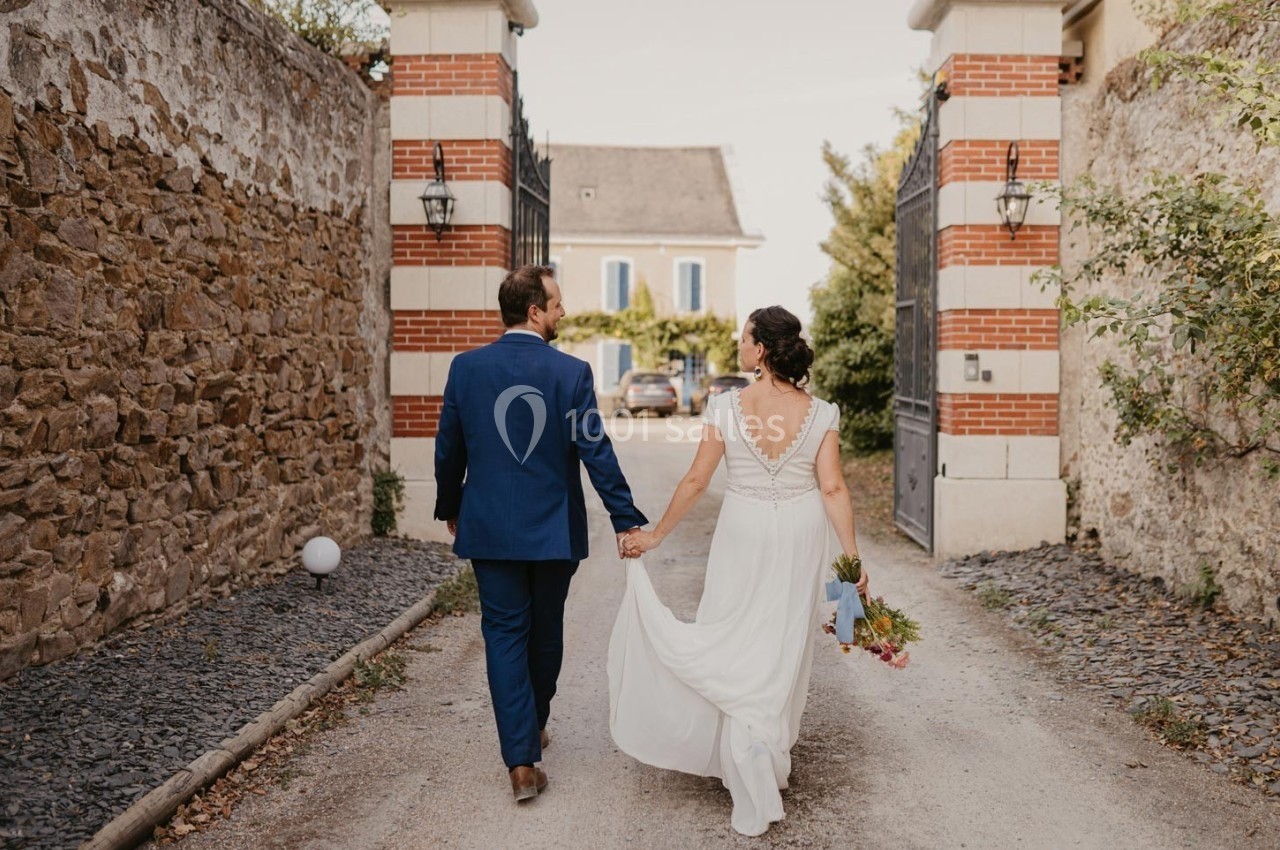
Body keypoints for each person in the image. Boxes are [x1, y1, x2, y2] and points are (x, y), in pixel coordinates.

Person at [610, 305, 867, 837]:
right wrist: (851, 560)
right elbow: (832, 487)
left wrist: (656, 535)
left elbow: (696, 480)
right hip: (800, 532)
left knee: (732, 630)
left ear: (762, 349)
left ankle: (746, 750)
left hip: (742, 528)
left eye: (745, 338)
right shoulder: (822, 413)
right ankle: (761, 748)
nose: (739, 344)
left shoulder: (725, 406)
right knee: (780, 642)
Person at [434, 264, 648, 802]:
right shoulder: (571, 373)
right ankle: (530, 733)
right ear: (534, 312)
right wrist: (624, 518)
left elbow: (449, 448)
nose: (563, 312)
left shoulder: (466, 368)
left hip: (488, 526)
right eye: (556, 304)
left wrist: (452, 506)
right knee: (545, 631)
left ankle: (521, 759)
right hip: (553, 530)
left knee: (504, 633)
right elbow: (596, 451)